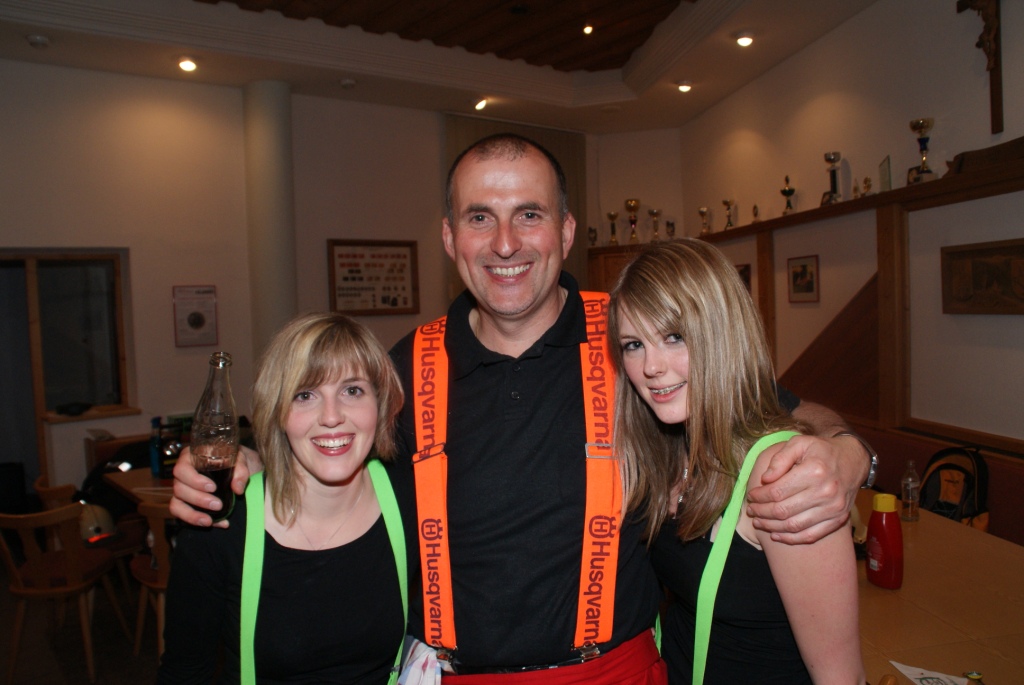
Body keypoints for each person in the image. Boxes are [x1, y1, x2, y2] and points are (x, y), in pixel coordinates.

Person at [171, 133, 872, 683]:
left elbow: (769, 411)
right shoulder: (403, 368)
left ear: (565, 232)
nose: (505, 243)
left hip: (612, 672)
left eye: (528, 215)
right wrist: (250, 468)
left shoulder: (633, 340)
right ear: (450, 238)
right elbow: (330, 443)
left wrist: (847, 454)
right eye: (480, 218)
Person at [609, 240, 864, 684]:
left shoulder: (780, 475)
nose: (651, 366)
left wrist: (853, 451)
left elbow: (840, 677)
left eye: (674, 337)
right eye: (633, 344)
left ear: (720, 335)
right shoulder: (669, 450)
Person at [159, 312, 407, 684]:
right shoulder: (223, 524)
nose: (331, 417)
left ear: (380, 402)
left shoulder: (409, 499)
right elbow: (184, 673)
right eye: (304, 395)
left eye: (352, 391)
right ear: (277, 411)